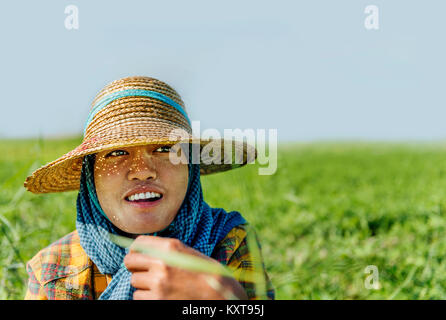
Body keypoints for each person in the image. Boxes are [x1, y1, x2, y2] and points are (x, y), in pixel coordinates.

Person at [23, 76, 275, 300]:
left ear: (191, 167)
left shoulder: (228, 243)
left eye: (165, 149)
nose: (143, 170)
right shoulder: (54, 269)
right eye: (117, 152)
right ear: (90, 177)